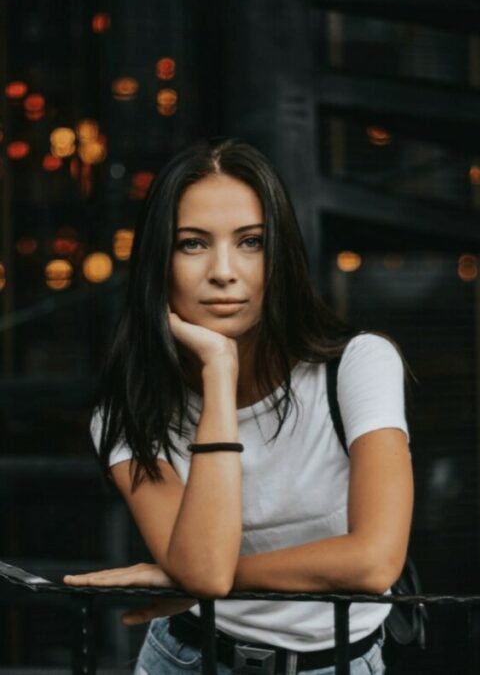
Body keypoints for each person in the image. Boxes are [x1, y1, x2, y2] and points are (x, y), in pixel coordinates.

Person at [64, 138, 413, 675]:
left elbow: (374, 561)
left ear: (283, 256)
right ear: (159, 261)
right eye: (193, 244)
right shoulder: (128, 409)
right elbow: (203, 570)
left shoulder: (358, 366)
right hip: (186, 659)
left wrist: (210, 578)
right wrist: (219, 375)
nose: (224, 271)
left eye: (251, 242)